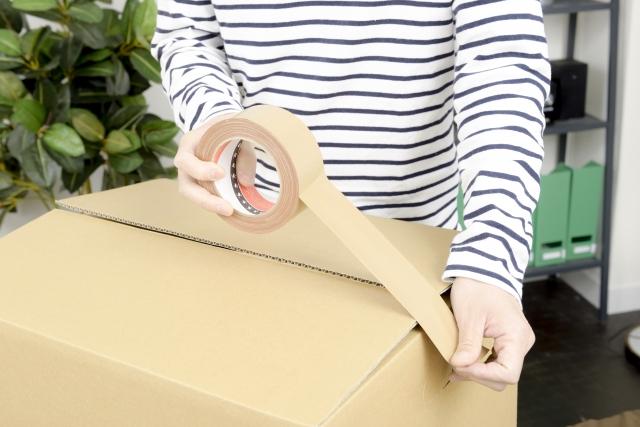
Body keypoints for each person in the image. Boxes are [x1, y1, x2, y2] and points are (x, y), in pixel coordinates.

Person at [151, 0, 550, 391]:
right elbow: (188, 35)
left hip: (418, 259)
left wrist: (490, 258)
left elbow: (502, 70)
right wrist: (215, 122)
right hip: (262, 235)